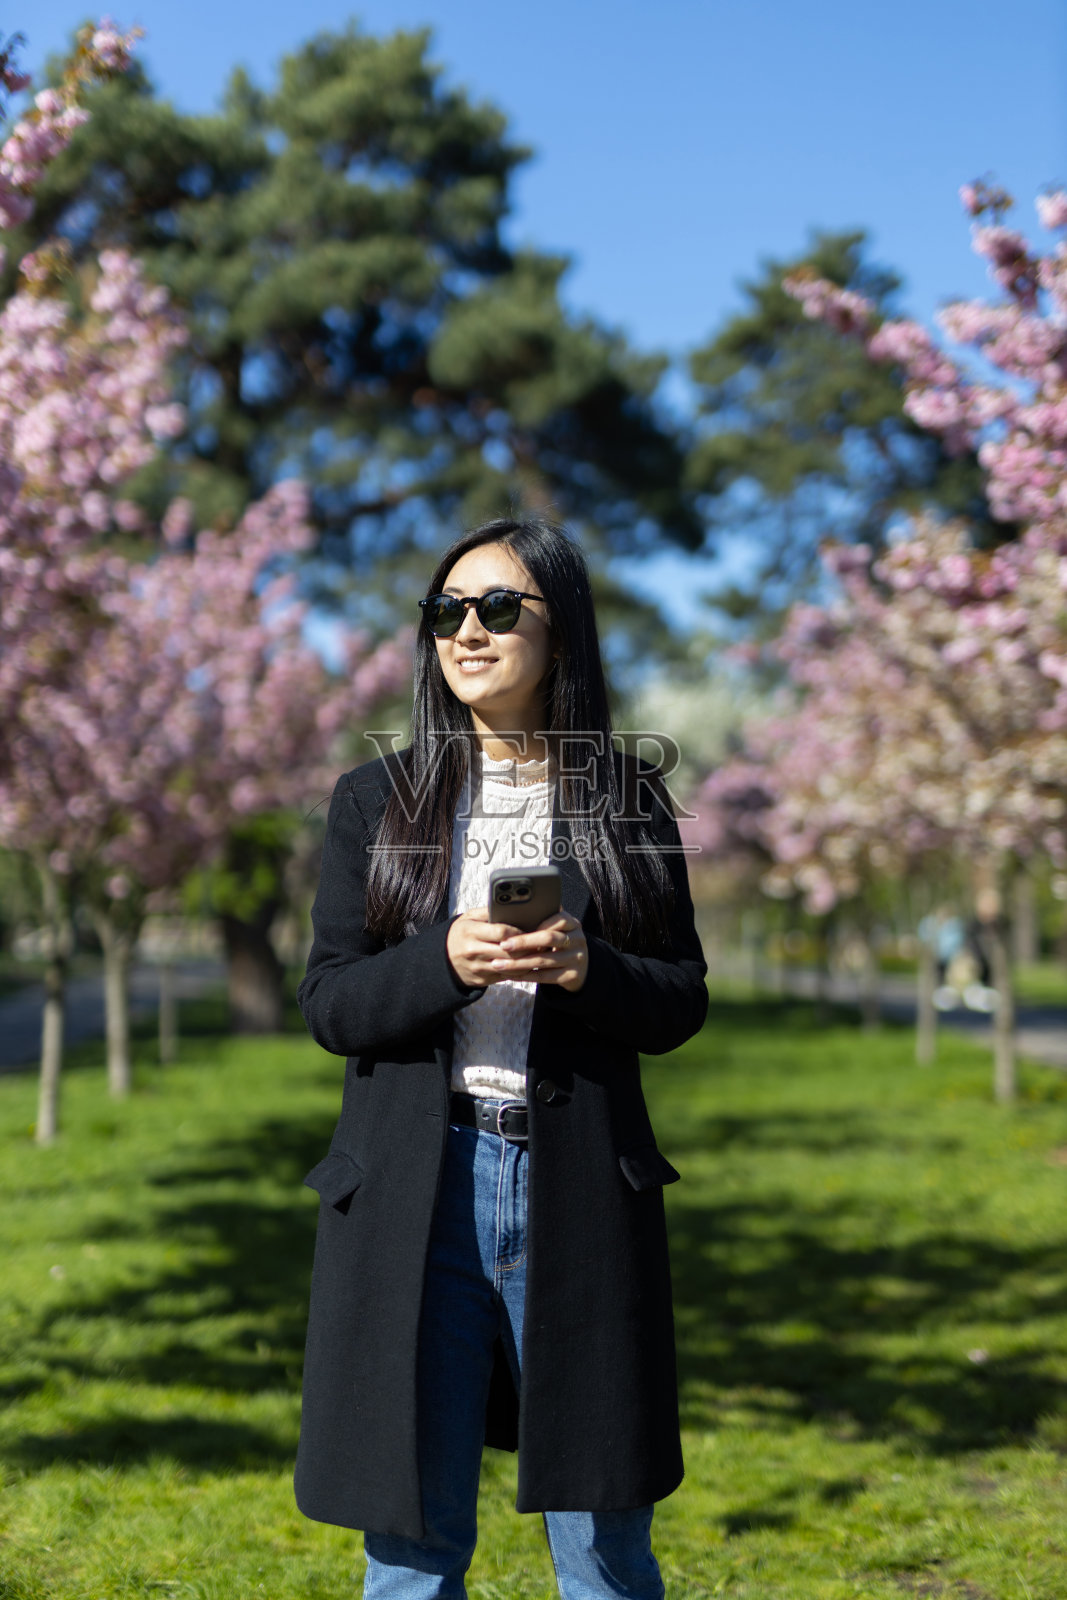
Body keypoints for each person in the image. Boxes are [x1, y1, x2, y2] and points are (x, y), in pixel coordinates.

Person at [295, 516, 709, 1599]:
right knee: (411, 1546)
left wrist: (587, 968)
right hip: (413, 1190)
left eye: (495, 608)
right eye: (446, 610)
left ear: (560, 631)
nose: (465, 632)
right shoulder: (373, 801)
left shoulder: (627, 797)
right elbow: (330, 1003)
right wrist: (441, 960)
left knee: (603, 1548)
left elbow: (679, 1000)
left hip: (580, 1190)